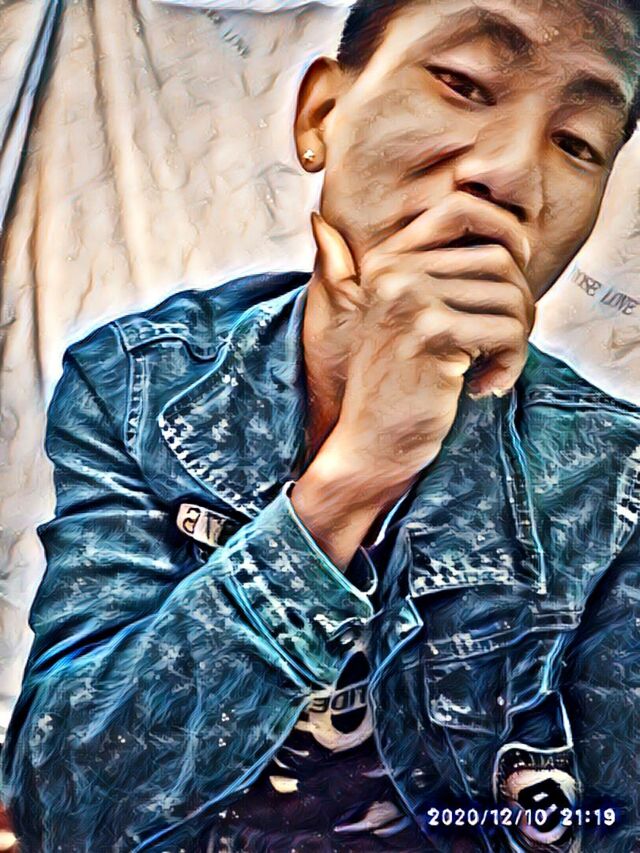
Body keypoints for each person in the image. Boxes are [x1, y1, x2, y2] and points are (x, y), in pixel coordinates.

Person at [2, 0, 640, 850]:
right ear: (321, 117)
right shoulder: (141, 382)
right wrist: (354, 476)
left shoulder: (615, 479)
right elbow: (64, 810)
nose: (513, 176)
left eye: (577, 143)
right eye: (462, 82)